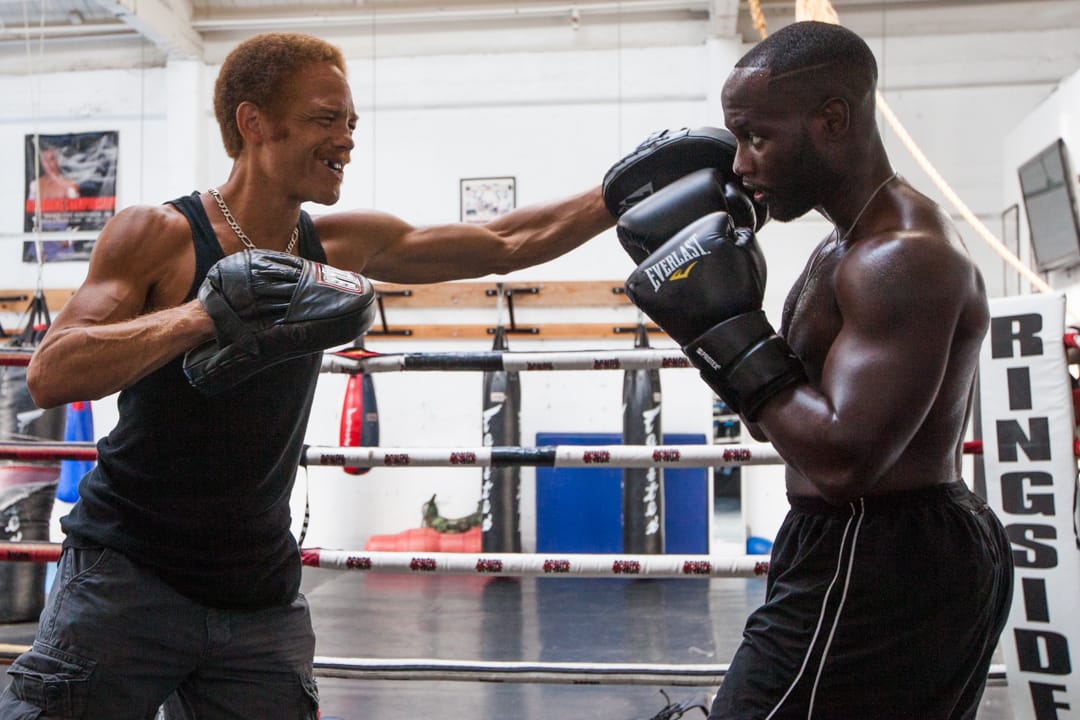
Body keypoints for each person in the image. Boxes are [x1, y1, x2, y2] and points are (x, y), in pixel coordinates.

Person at [0, 32, 616, 719]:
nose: (347, 140)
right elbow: (52, 373)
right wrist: (203, 316)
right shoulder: (160, 235)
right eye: (327, 120)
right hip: (125, 577)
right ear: (253, 123)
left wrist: (621, 192)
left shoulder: (338, 244)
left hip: (258, 593)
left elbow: (505, 241)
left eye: (351, 122)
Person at [609, 21, 1014, 719]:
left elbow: (843, 459)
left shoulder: (901, 259)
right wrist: (719, 327)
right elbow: (782, 421)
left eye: (756, 137)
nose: (739, 164)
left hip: (879, 547)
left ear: (831, 120)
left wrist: (723, 330)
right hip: (855, 540)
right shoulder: (838, 251)